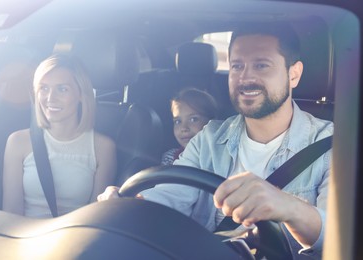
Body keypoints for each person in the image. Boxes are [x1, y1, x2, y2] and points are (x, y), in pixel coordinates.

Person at [98, 22, 333, 259]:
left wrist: (288, 207)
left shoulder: (331, 144)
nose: (246, 77)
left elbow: (338, 234)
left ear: (294, 74)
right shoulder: (209, 137)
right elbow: (170, 197)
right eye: (237, 66)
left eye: (261, 65)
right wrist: (127, 204)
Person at [3, 54, 117, 218]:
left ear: (81, 94)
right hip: (24, 239)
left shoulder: (103, 148)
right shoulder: (18, 142)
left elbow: (96, 219)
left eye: (62, 89)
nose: (50, 98)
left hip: (73, 240)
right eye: (44, 88)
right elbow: (10, 213)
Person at [161, 88, 218, 165]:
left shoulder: (220, 158)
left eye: (193, 119)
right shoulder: (171, 157)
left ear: (211, 122)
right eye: (178, 121)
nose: (184, 128)